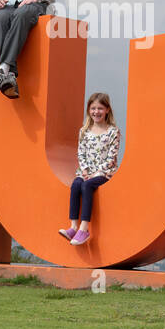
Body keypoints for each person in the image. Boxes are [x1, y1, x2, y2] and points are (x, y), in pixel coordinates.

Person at [59, 93, 121, 246]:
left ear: (107, 110)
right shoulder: (84, 131)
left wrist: (97, 172)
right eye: (93, 108)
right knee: (76, 184)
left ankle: (84, 229)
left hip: (104, 173)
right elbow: (81, 152)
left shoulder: (113, 132)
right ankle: (73, 226)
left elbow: (112, 157)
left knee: (87, 186)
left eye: (100, 108)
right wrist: (86, 170)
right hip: (86, 172)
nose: (96, 112)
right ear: (88, 110)